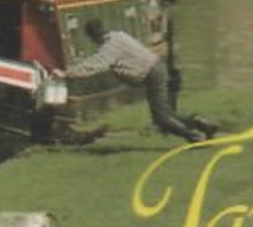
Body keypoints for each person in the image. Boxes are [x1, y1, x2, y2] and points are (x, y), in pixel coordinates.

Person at [55, 19, 216, 143]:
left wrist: (67, 73)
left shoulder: (110, 47)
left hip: (152, 74)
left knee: (161, 118)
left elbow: (94, 66)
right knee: (165, 114)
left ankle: (193, 137)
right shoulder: (119, 35)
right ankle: (202, 124)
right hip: (156, 69)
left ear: (92, 36)